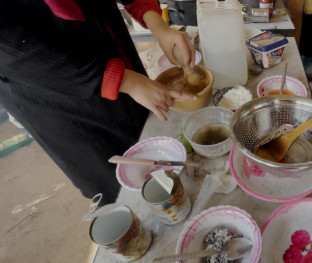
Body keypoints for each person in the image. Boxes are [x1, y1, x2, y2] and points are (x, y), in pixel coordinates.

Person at [0, 0, 197, 205]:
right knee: (121, 182)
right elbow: (12, 47)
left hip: (105, 41)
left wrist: (159, 25)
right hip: (55, 87)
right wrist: (125, 80)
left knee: (146, 135)